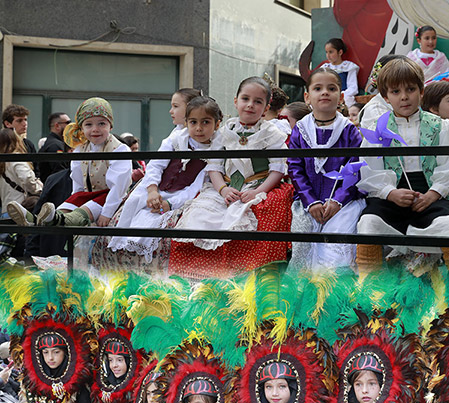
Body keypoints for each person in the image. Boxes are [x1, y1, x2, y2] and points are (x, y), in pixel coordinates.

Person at [356, 58, 449, 275]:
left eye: (410, 89)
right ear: (385, 97)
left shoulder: (442, 127)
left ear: (421, 90)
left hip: (432, 196)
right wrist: (389, 193)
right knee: (369, 223)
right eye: (395, 91)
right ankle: (370, 294)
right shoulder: (376, 130)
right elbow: (369, 171)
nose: (404, 97)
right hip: (391, 197)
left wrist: (434, 193)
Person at [168, 76, 292, 276]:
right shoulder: (225, 132)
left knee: (258, 214)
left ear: (267, 105)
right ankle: (196, 275)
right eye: (245, 99)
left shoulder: (272, 133)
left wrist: (258, 191)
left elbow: (278, 169)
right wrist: (222, 189)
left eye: (258, 101)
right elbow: (214, 167)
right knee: (198, 215)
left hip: (258, 186)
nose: (250, 105)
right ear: (236, 101)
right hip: (225, 188)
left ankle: (245, 274)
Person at [109, 95, 222, 263]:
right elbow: (156, 165)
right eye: (193, 122)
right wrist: (152, 190)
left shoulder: (216, 150)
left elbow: (196, 187)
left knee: (159, 221)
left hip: (180, 196)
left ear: (217, 124)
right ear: (186, 122)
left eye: (205, 122)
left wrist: (170, 204)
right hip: (154, 188)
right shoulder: (175, 139)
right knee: (133, 207)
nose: (199, 128)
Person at [8, 97, 131, 233]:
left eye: (102, 124)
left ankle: (61, 219)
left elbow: (119, 186)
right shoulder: (81, 149)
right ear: (82, 128)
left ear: (111, 126)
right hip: (87, 194)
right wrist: (74, 201)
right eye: (88, 125)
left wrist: (107, 213)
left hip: (109, 196)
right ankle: (36, 220)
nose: (95, 129)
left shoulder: (119, 149)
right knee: (67, 206)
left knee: (86, 209)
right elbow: (78, 181)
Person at [287, 68, 364, 270]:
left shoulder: (349, 130)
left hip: (343, 202)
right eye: (318, 88)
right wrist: (311, 202)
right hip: (307, 201)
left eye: (331, 88)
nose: (325, 93)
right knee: (303, 239)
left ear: (341, 97)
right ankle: (303, 290)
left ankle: (336, 291)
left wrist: (338, 200)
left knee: (339, 243)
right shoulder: (300, 130)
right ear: (307, 97)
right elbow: (295, 168)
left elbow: (355, 168)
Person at [0, 129, 42, 218]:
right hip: (20, 208)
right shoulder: (16, 158)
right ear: (16, 140)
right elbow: (27, 178)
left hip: (5, 209)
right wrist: (38, 189)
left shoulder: (2, 161)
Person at [320, 38, 360, 107]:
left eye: (331, 52)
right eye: (326, 52)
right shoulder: (324, 68)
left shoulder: (349, 67)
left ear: (340, 52)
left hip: (344, 97)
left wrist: (341, 95)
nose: (328, 55)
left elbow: (353, 87)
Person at [38, 112, 70, 183]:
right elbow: (60, 172)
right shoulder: (55, 145)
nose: (70, 126)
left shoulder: (55, 143)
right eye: (68, 123)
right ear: (57, 126)